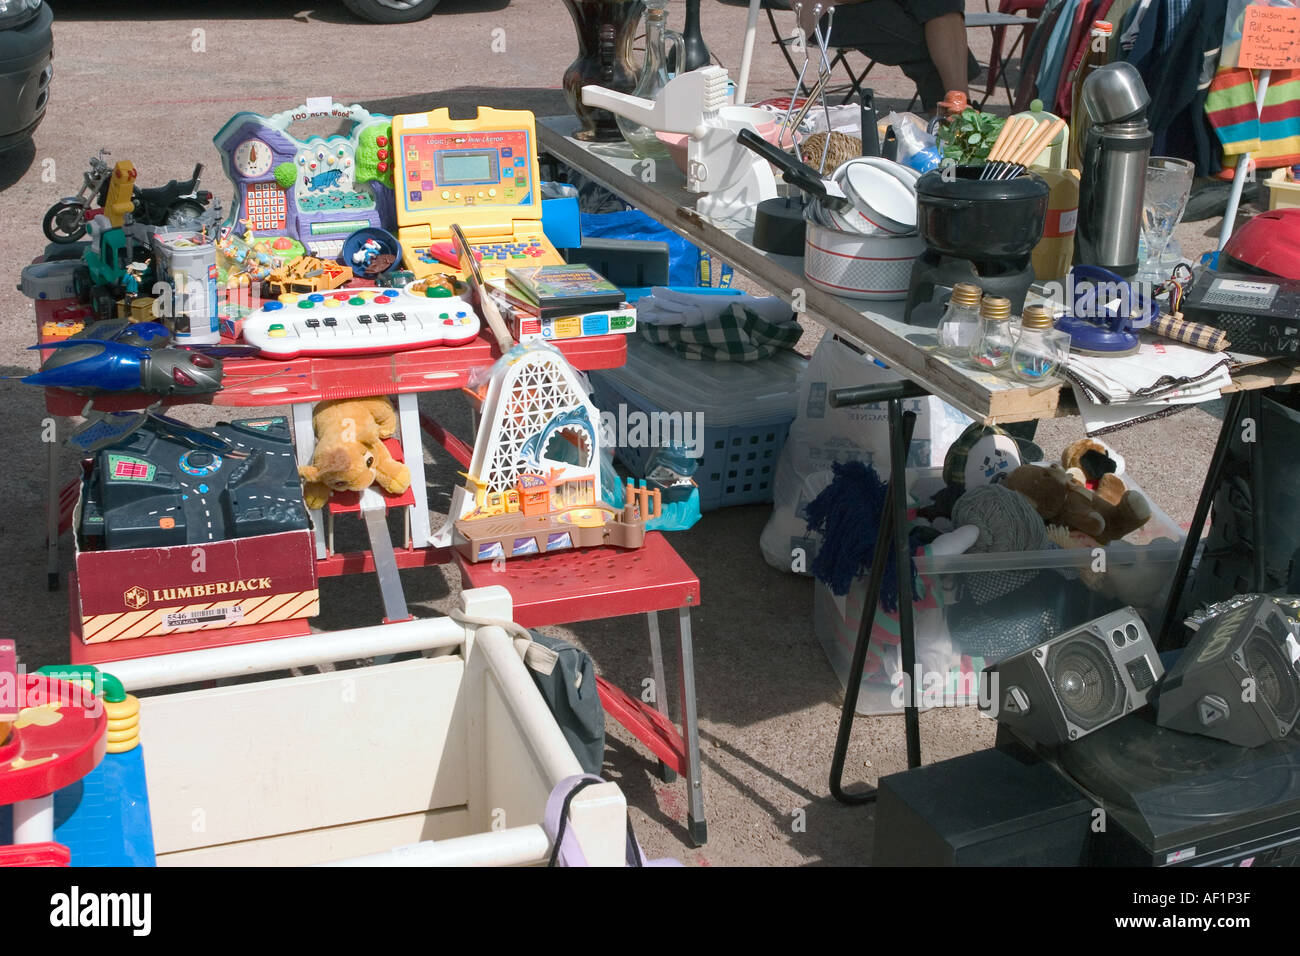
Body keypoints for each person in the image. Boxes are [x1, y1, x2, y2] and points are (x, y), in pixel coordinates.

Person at [799, 0, 980, 113]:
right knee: (928, 48)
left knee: (940, 10)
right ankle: (958, 128)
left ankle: (959, 106)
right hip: (829, 11)